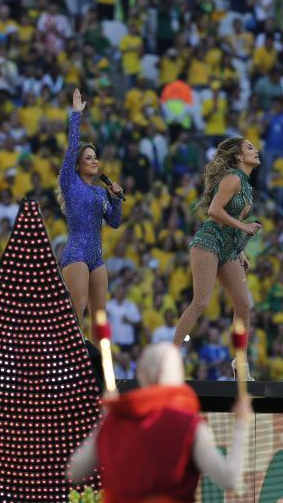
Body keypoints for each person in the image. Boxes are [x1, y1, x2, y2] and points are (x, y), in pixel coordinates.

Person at [67, 343, 251, 501]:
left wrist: (106, 421)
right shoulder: (189, 425)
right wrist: (241, 424)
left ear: (142, 375)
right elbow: (229, 478)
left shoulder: (116, 421)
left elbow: (74, 472)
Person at [171, 138, 261, 370]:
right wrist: (244, 228)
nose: (256, 150)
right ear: (239, 156)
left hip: (229, 247)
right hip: (209, 240)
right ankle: (169, 356)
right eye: (250, 148)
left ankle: (240, 362)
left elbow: (235, 220)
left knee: (243, 303)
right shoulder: (232, 178)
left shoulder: (247, 185)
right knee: (200, 302)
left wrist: (240, 251)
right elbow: (214, 210)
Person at [59, 89, 124, 341]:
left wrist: (116, 200)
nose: (94, 161)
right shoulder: (70, 183)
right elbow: (71, 147)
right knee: (78, 308)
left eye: (96, 157)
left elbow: (115, 223)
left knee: (100, 317)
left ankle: (100, 366)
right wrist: (76, 115)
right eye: (88, 158)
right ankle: (69, 357)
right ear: (77, 164)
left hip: (96, 256)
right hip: (76, 253)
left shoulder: (100, 193)